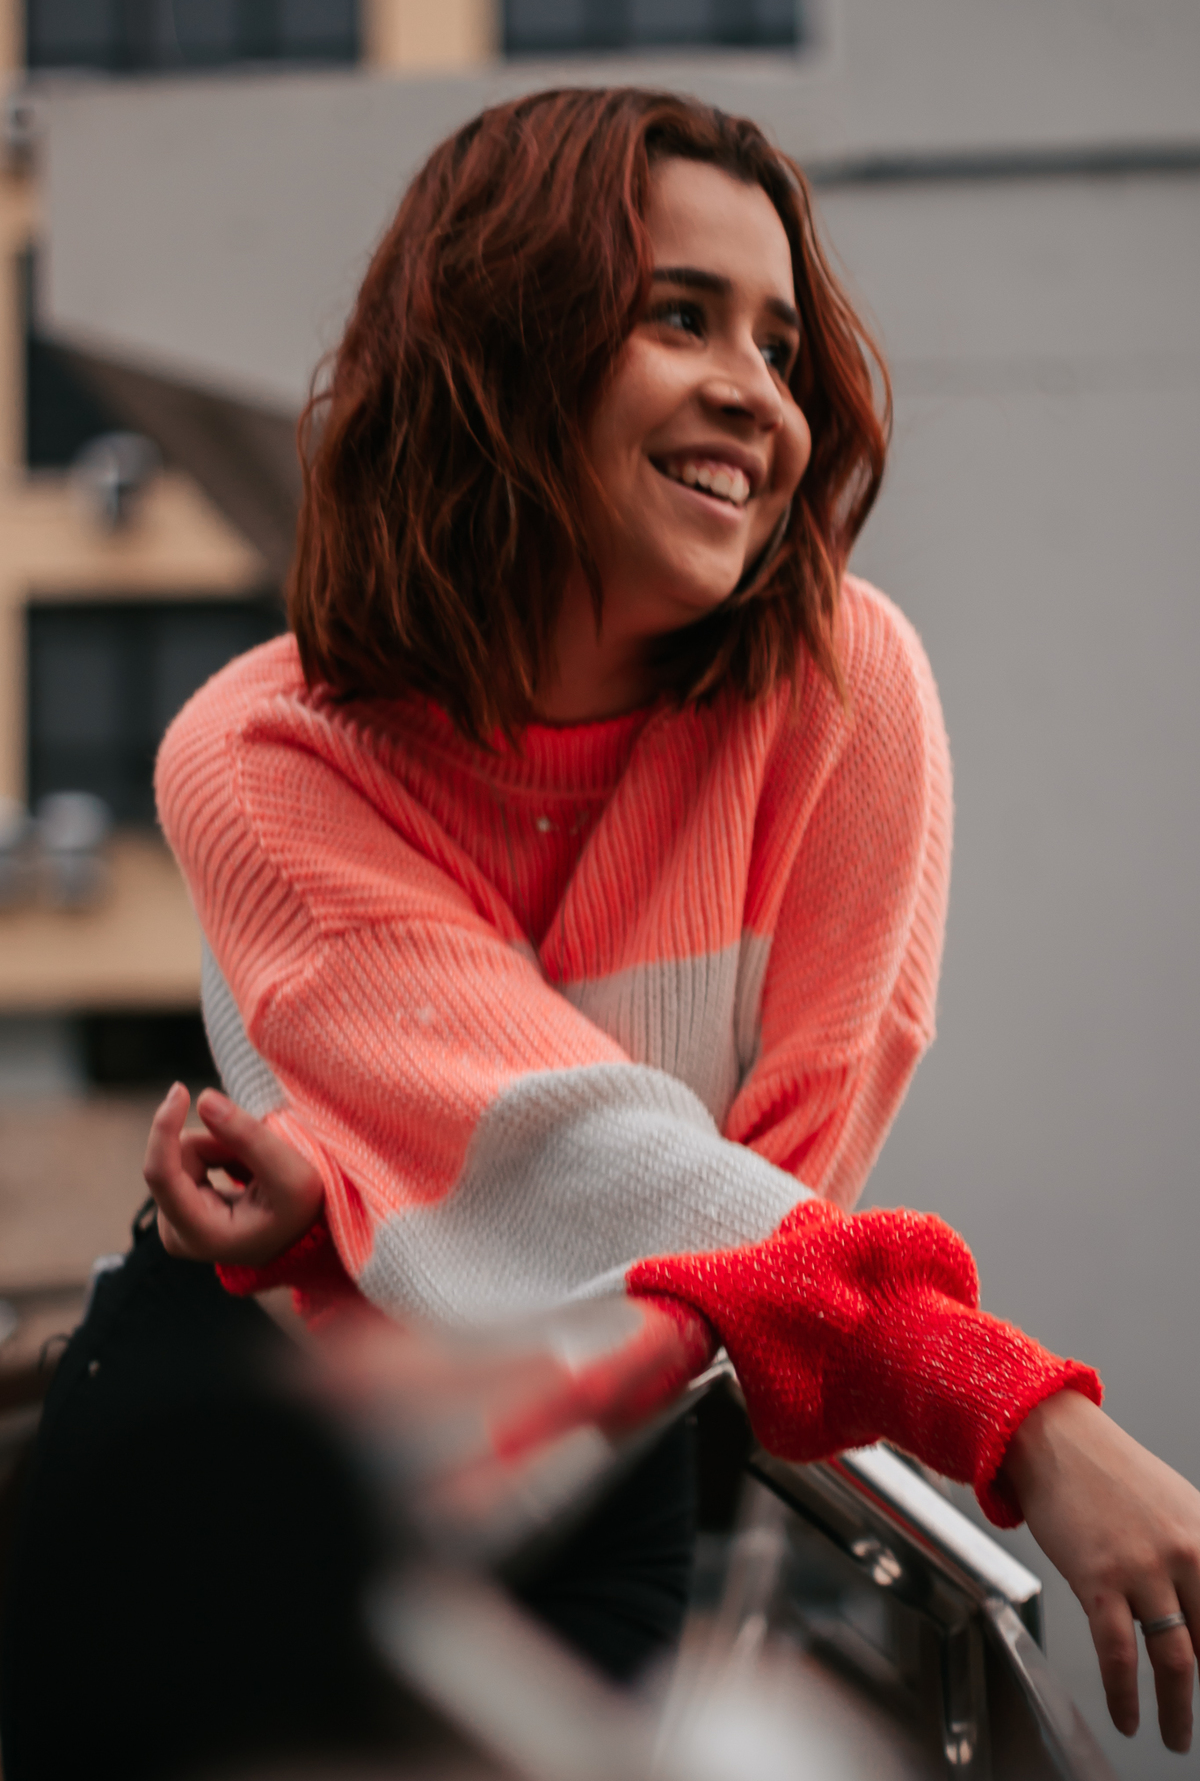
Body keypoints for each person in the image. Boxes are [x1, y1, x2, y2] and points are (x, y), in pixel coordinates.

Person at [15, 89, 1200, 1763]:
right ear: (499, 347)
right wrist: (1021, 1420)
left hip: (594, 1472)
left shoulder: (847, 694)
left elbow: (750, 1206)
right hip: (242, 1439)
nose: (758, 394)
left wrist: (386, 1224)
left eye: (781, 345)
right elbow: (582, 1162)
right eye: (680, 317)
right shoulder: (261, 754)